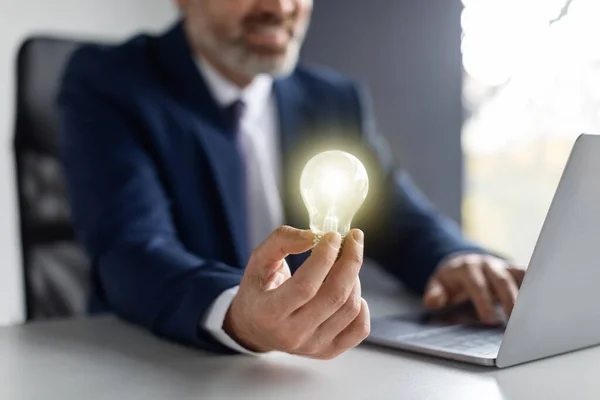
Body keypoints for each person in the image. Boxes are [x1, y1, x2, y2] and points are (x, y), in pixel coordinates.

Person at [58, 0, 525, 358]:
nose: (281, 7)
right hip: (153, 363)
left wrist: (456, 257)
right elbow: (132, 249)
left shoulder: (332, 99)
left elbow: (400, 217)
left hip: (304, 372)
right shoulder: (110, 83)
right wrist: (236, 313)